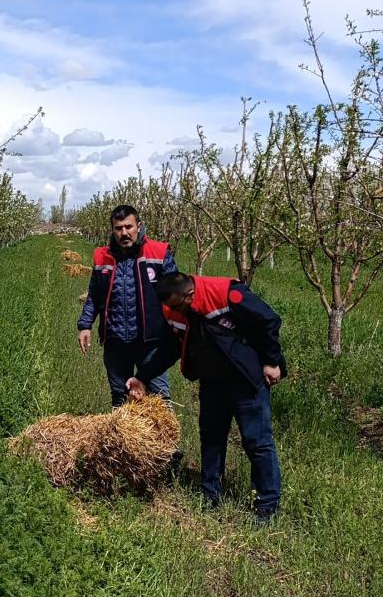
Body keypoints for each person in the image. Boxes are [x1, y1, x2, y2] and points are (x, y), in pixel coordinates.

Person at [127, 271, 286, 522]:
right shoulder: (175, 310)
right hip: (213, 384)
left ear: (189, 295)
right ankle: (210, 495)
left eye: (174, 305)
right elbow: (170, 348)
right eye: (167, 306)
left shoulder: (225, 294)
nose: (171, 311)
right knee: (211, 439)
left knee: (257, 442)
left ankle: (267, 505)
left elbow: (268, 320)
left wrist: (271, 361)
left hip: (246, 380)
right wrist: (143, 376)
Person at [77, 205, 178, 407]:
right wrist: (85, 324)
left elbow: (176, 293)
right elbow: (94, 294)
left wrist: (177, 328)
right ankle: (122, 438)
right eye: (118, 228)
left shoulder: (158, 253)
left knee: (159, 397)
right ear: (112, 230)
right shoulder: (102, 257)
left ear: (138, 226)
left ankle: (163, 438)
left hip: (150, 340)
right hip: (116, 341)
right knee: (119, 396)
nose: (124, 233)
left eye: (128, 227)